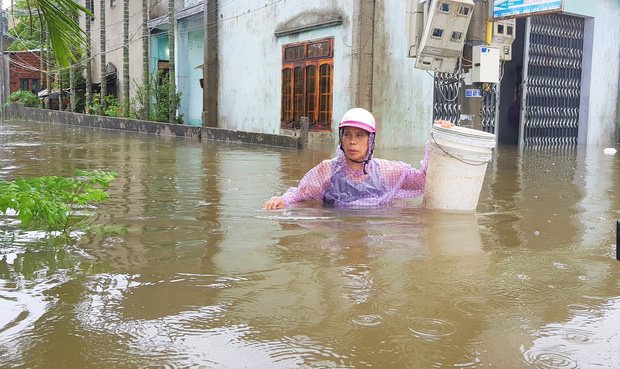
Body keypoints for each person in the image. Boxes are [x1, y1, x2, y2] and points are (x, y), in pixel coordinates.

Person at [263, 108, 453, 209]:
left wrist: (439, 139)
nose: (352, 142)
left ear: (370, 140)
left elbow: (423, 181)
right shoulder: (327, 169)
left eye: (359, 136)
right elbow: (299, 194)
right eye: (347, 135)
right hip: (339, 231)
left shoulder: (387, 170)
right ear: (341, 138)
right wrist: (281, 200)